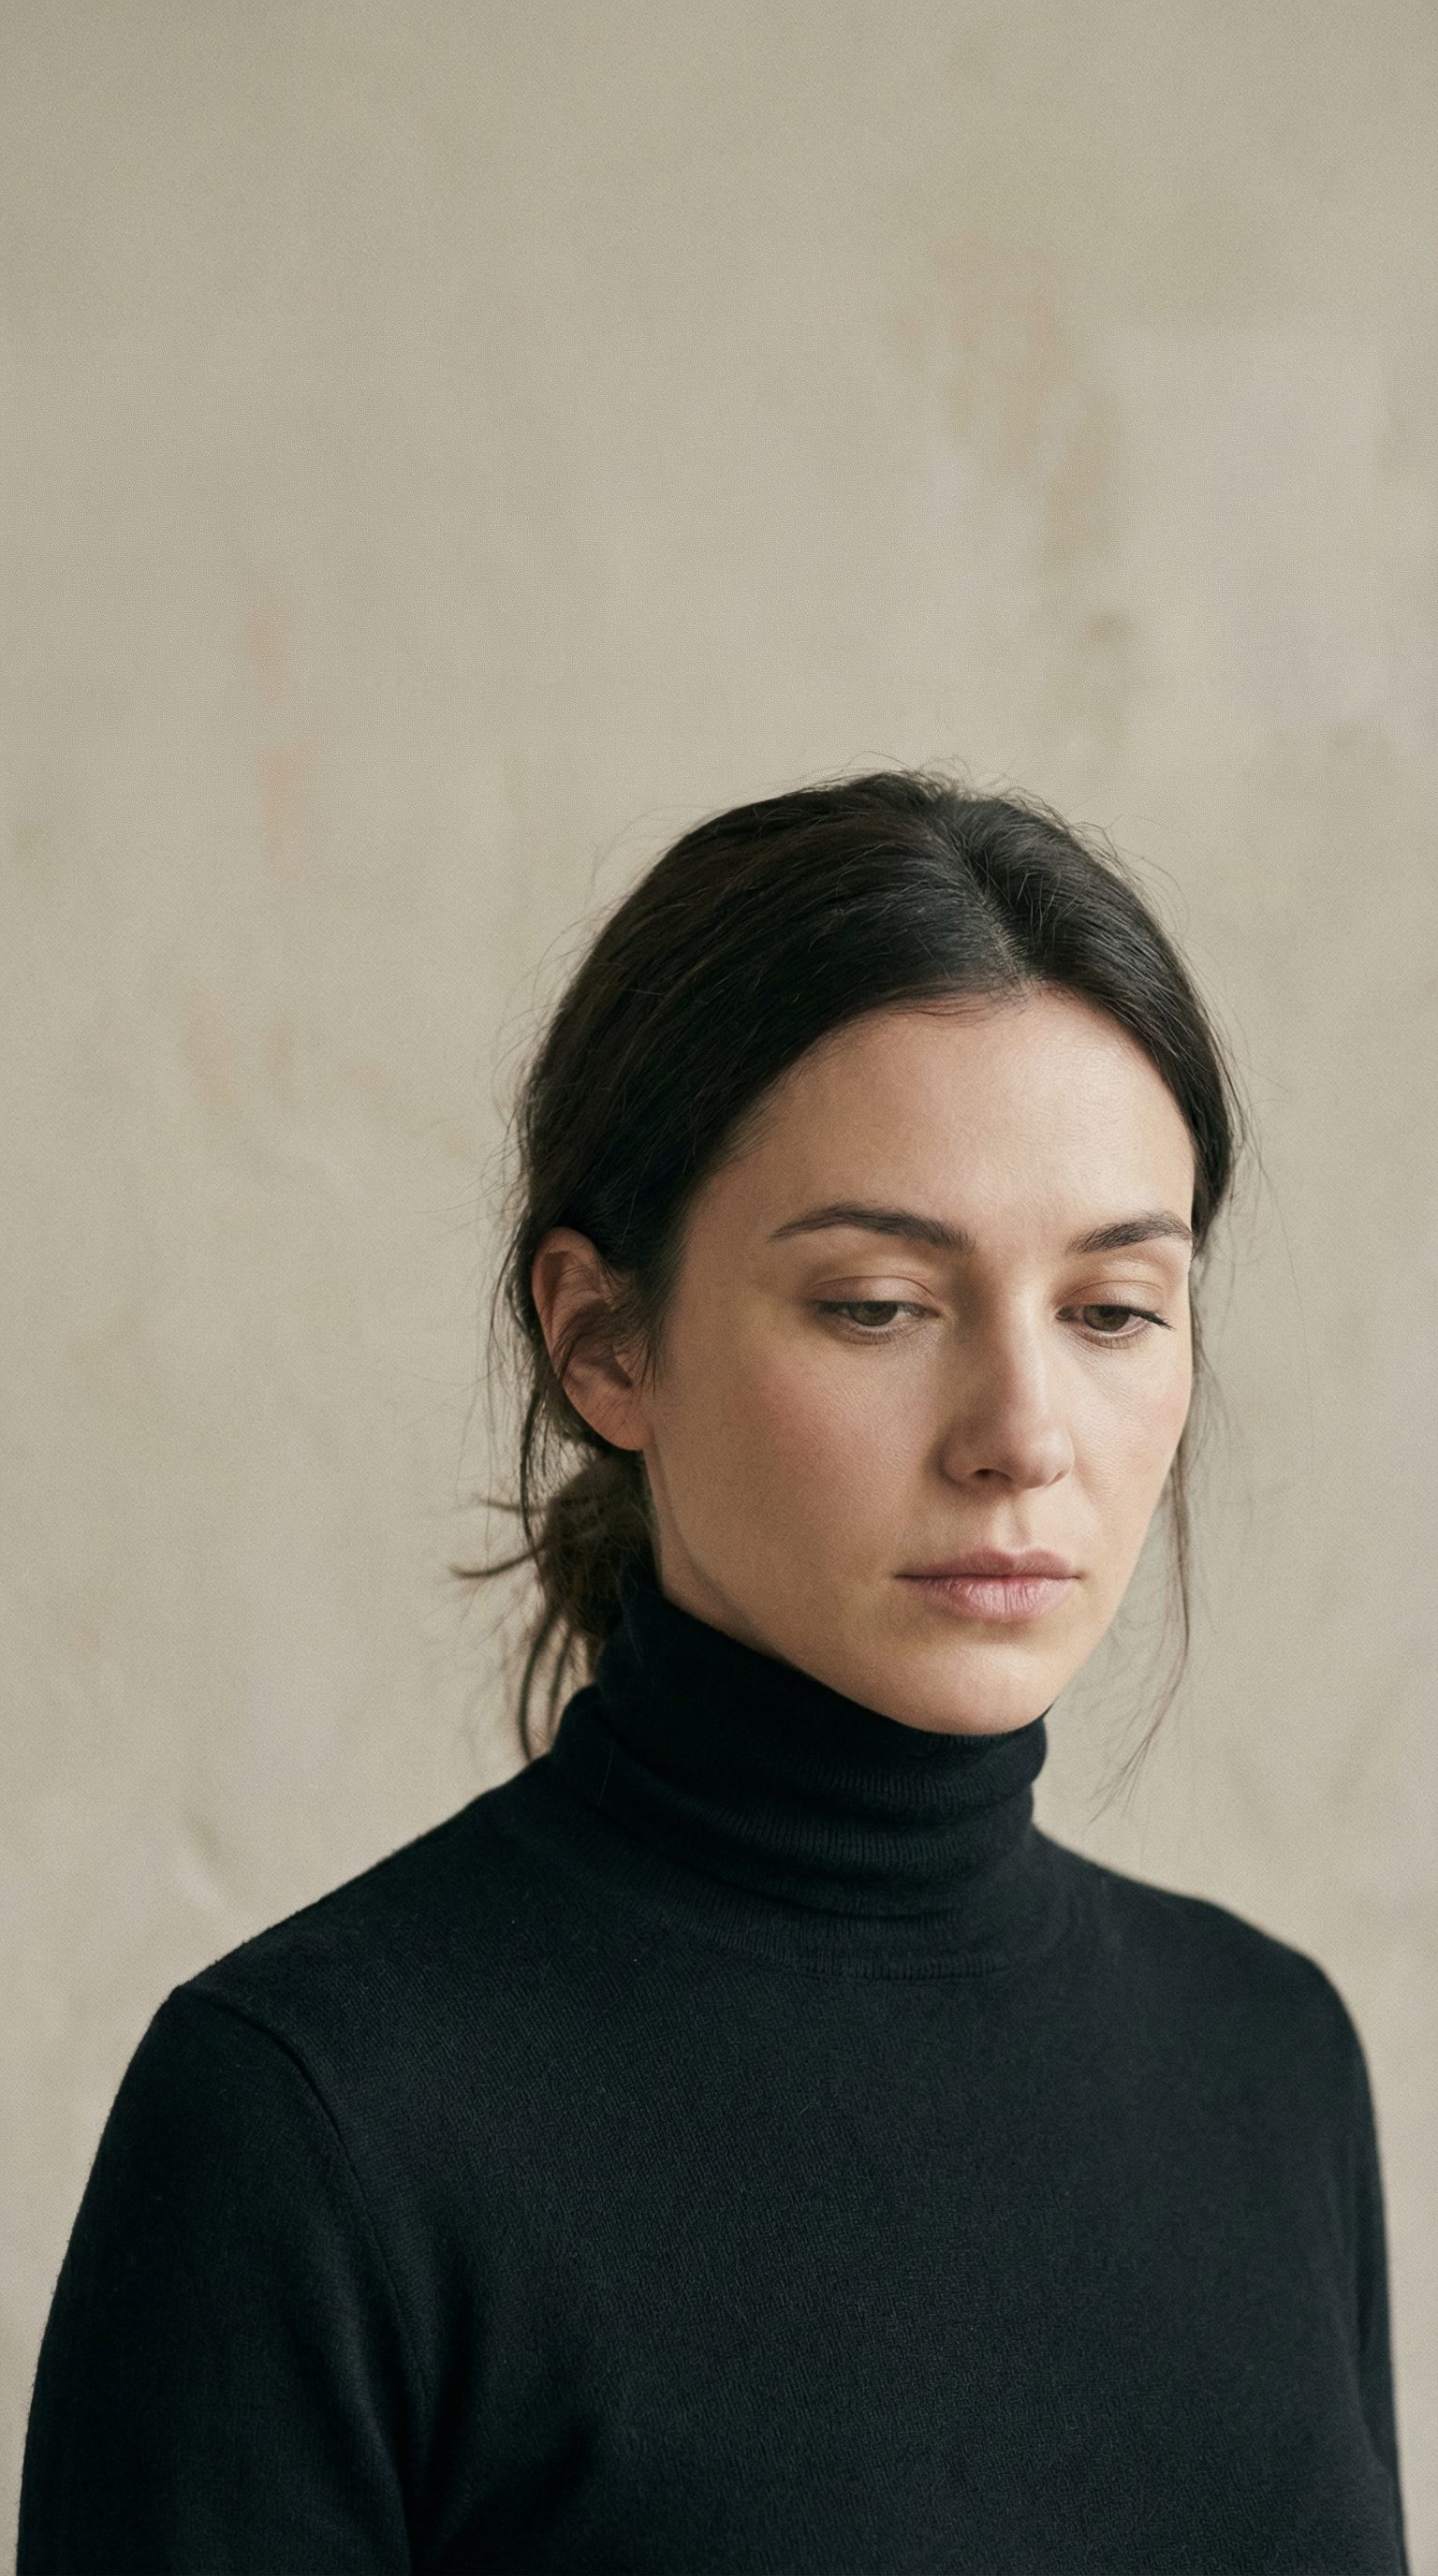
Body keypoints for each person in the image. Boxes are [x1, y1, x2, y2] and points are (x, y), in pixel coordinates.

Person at [18, 770, 1409, 2571]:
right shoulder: (313, 2123)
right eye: (878, 1305)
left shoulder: (1267, 2063)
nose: (1020, 1436)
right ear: (605, 1342)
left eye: (1112, 1309)